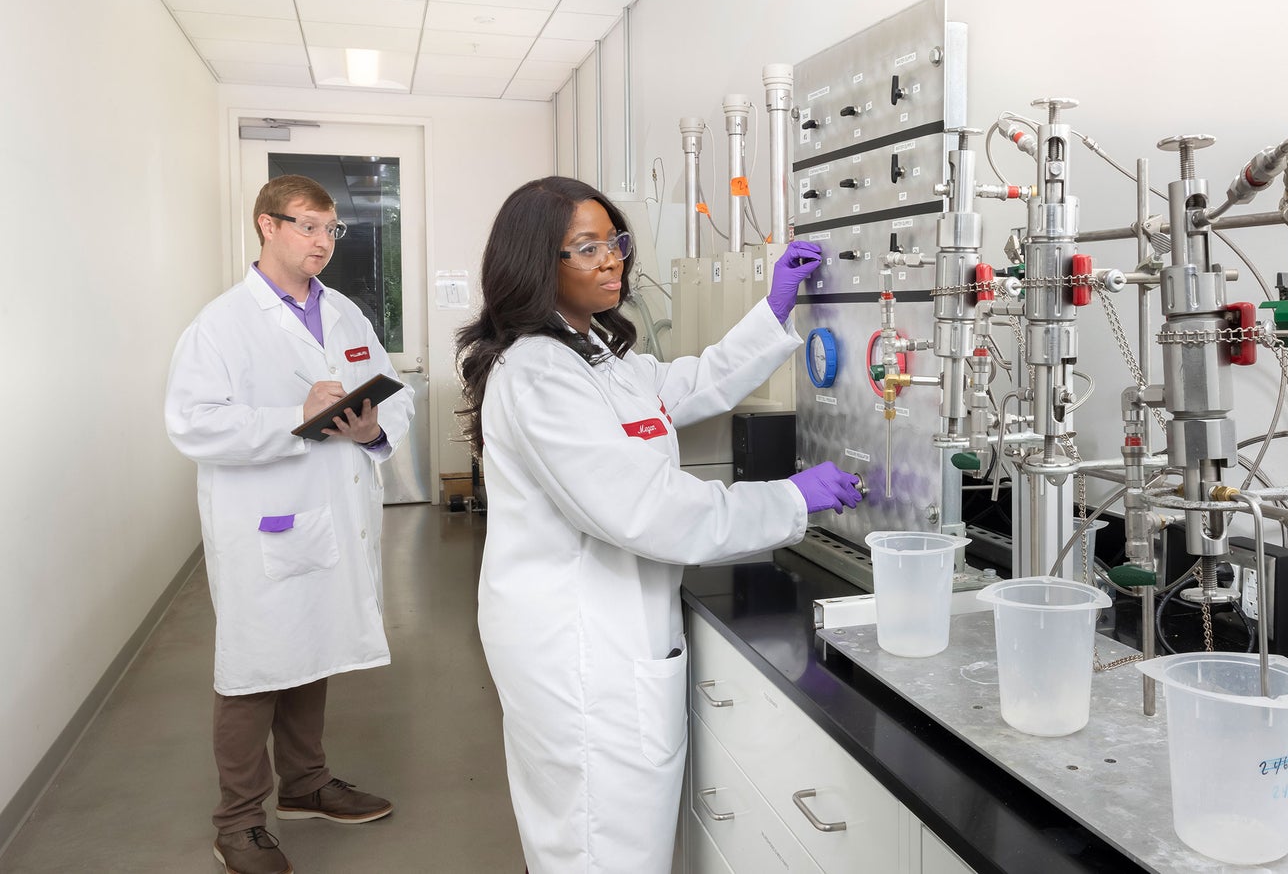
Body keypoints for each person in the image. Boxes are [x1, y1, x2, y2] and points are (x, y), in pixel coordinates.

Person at [455, 176, 862, 872]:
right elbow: (648, 511)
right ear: (534, 264)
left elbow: (689, 382)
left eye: (613, 241)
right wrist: (791, 499)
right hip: (581, 647)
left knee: (620, 834)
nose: (611, 259)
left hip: (614, 631)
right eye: (585, 248)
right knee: (598, 843)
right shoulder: (540, 376)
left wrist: (773, 312)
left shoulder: (596, 356)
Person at [165, 174, 416, 874]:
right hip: (264, 524)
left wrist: (371, 430)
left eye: (330, 229)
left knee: (317, 642)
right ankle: (238, 820)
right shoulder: (220, 324)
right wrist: (296, 422)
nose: (321, 241)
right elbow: (193, 424)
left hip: (333, 513)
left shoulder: (348, 315)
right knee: (254, 665)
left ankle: (305, 785)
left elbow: (396, 396)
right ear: (265, 226)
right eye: (306, 225)